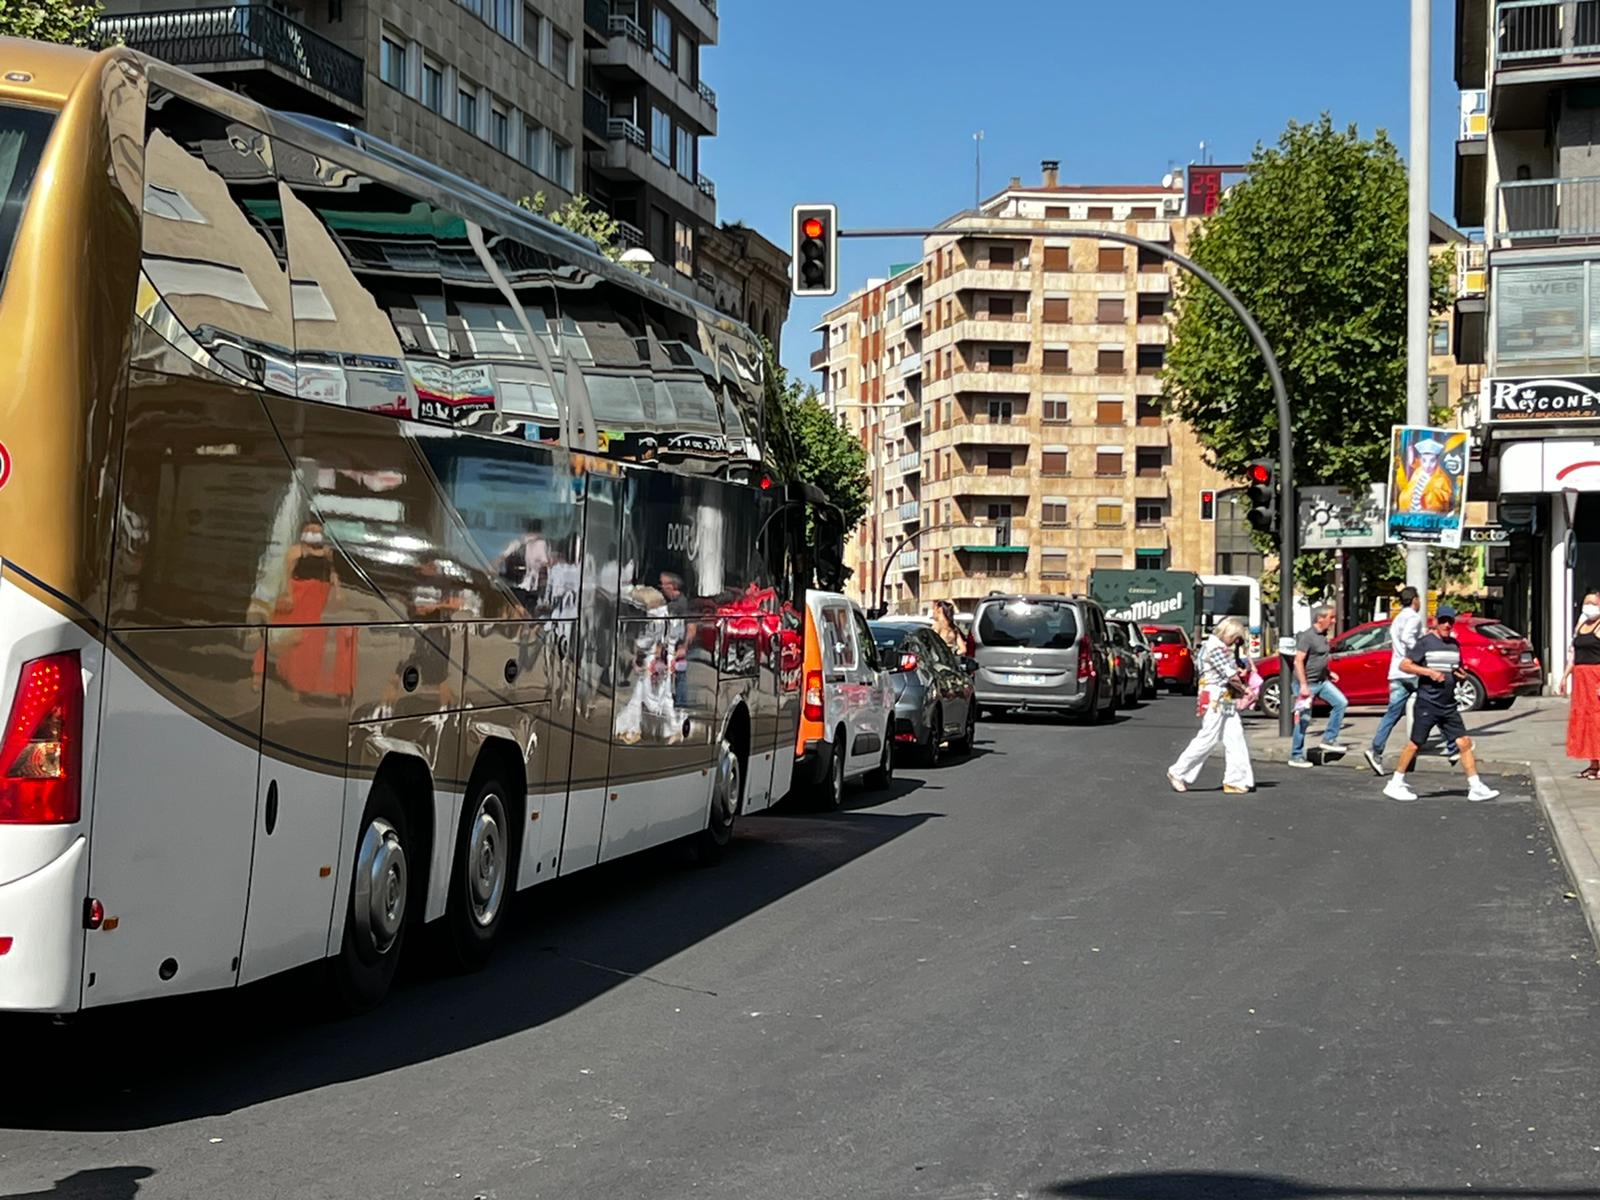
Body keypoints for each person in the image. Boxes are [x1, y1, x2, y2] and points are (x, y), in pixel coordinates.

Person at [1382, 605, 1500, 803]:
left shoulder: (1454, 644)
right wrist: (1429, 672)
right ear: (1435, 622)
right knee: (1415, 744)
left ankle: (1475, 785)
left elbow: (1456, 669)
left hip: (1448, 704)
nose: (1447, 625)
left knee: (1464, 742)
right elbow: (1404, 664)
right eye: (1443, 621)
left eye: (1450, 621)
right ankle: (1395, 782)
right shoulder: (1425, 642)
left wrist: (1460, 676)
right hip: (1427, 702)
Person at [1365, 588, 1459, 774]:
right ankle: (1453, 747)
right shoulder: (1413, 617)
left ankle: (1375, 749)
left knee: (1392, 714)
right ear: (1415, 600)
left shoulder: (1398, 618)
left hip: (1396, 672)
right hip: (1412, 671)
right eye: (1419, 599)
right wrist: (1421, 647)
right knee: (1437, 702)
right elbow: (1409, 639)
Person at [1167, 616, 1255, 795]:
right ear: (1228, 633)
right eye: (1235, 637)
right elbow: (1229, 675)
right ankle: (1178, 771)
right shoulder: (1215, 648)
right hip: (1216, 696)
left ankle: (1236, 779)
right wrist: (1245, 689)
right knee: (1209, 736)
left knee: (1234, 735)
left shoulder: (1215, 647)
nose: (1235, 641)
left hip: (1222, 697)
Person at [1288, 605, 1349, 768]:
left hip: (1322, 682)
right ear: (1320, 619)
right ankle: (1296, 755)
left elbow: (1319, 658)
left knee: (1341, 703)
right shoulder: (1308, 637)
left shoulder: (1323, 636)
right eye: (1331, 618)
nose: (1334, 621)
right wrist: (1303, 685)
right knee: (1304, 720)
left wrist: (1328, 673)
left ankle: (1329, 739)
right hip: (1307, 684)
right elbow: (1298, 661)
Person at [1559, 591, 1600, 780]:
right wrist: (1565, 676)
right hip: (1581, 677)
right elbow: (1573, 655)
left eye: (1593, 603)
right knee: (1584, 719)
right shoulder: (1582, 625)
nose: (1589, 606)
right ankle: (1593, 763)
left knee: (1596, 719)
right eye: (1587, 602)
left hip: (1595, 676)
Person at [1394, 437, 1456, 515]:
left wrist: (1429, 494)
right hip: (1409, 516)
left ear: (1437, 461)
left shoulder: (1442, 479)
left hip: (1431, 519)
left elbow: (1444, 500)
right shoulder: (1418, 471)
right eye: (1424, 460)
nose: (1427, 466)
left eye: (1432, 461)